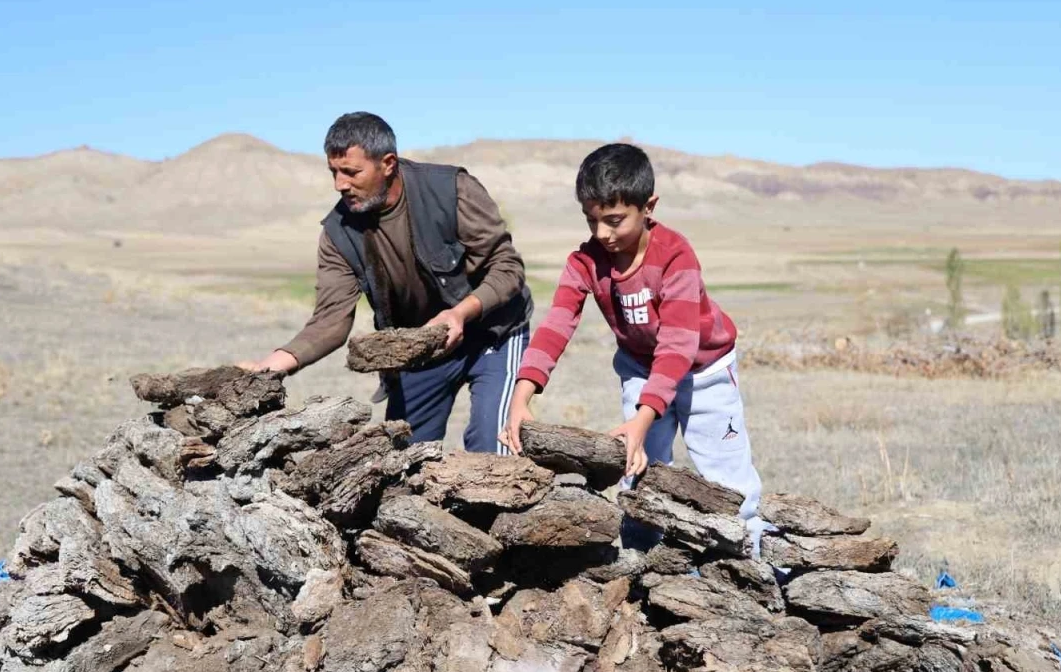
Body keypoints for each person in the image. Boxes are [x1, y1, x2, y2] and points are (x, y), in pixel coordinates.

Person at [241, 112, 533, 453]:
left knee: (492, 448)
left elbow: (507, 268)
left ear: (388, 163)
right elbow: (331, 320)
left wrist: (460, 314)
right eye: (333, 172)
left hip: (493, 332)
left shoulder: (451, 190)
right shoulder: (339, 232)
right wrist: (270, 366)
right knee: (402, 461)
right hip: (422, 347)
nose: (340, 184)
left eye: (351, 172)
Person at [499, 143, 761, 520]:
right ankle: (644, 568)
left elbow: (677, 346)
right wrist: (521, 397)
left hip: (706, 373)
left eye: (615, 220)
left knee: (729, 484)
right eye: (592, 221)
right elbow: (556, 326)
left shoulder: (675, 256)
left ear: (648, 207)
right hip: (641, 369)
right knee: (638, 473)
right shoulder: (585, 262)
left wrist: (643, 420)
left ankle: (749, 563)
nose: (602, 234)